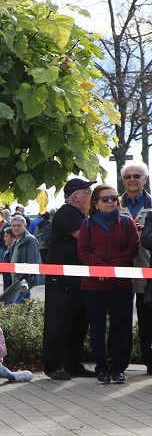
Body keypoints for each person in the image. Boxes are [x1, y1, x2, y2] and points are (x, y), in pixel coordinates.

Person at [78, 184, 139, 383]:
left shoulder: (127, 222)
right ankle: (101, 368)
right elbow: (84, 251)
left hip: (120, 285)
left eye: (113, 198)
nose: (110, 201)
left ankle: (117, 368)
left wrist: (112, 268)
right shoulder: (87, 224)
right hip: (93, 285)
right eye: (105, 199)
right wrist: (101, 268)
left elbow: (133, 248)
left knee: (119, 327)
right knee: (97, 327)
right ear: (95, 203)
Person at [43, 178, 96, 380]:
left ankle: (72, 363)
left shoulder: (81, 214)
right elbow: (86, 237)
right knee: (58, 323)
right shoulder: (67, 213)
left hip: (79, 278)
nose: (91, 195)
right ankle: (53, 365)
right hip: (62, 281)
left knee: (78, 323)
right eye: (88, 191)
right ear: (76, 196)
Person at [120, 162, 152, 372]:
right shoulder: (112, 202)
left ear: (145, 179)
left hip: (146, 268)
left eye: (137, 176)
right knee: (121, 318)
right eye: (128, 176)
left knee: (147, 318)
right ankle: (121, 363)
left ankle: (149, 362)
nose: (132, 179)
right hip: (119, 269)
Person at [2, 215, 41, 304]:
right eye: (13, 226)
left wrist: (26, 283)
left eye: (19, 225)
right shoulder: (15, 241)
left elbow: (33, 263)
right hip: (15, 284)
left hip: (23, 284)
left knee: (20, 312)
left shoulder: (30, 240)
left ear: (25, 226)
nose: (16, 228)